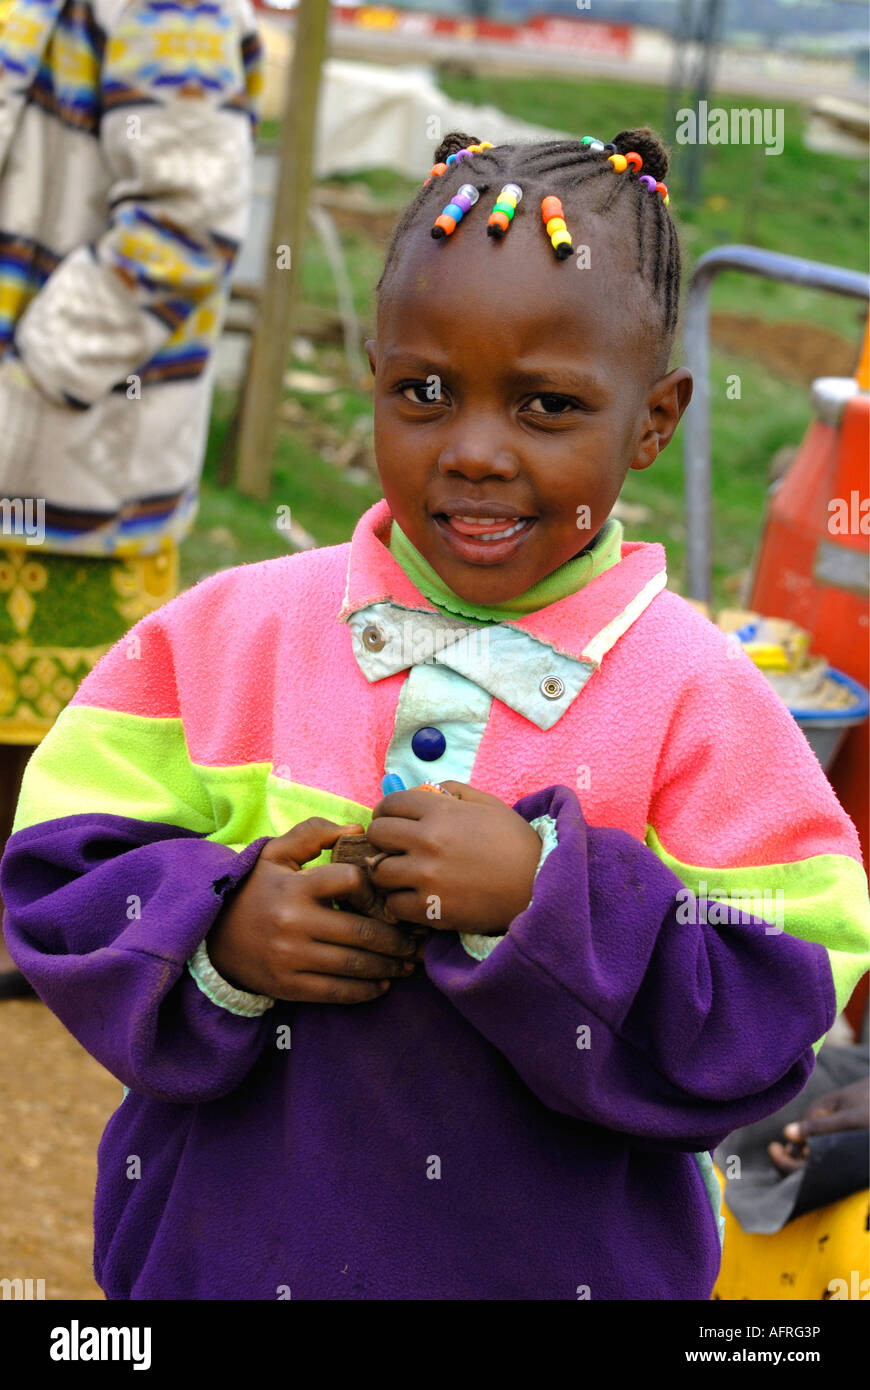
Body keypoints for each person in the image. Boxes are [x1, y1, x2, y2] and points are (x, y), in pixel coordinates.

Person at [1, 128, 868, 1301]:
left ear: (655, 420)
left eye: (546, 405)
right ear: (374, 372)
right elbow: (57, 872)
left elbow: (786, 996)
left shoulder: (697, 699)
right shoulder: (232, 637)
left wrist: (547, 898)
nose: (472, 450)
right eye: (424, 391)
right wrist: (220, 930)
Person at [0, 0, 262, 992]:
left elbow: (184, 219)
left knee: (66, 738)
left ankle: (70, 954)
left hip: (70, 451)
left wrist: (37, 381)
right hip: (36, 443)